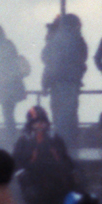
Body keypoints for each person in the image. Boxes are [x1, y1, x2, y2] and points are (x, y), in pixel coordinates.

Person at [41, 13, 88, 153]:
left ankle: (61, 147)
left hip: (56, 82)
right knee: (70, 114)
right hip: (72, 81)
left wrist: (45, 84)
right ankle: (71, 146)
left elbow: (46, 59)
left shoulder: (55, 39)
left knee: (59, 115)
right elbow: (82, 58)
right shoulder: (78, 40)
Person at [0, 24, 29, 134]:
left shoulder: (3, 47)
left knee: (8, 113)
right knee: (8, 113)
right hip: (10, 85)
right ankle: (11, 135)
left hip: (8, 85)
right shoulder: (8, 45)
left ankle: (11, 136)